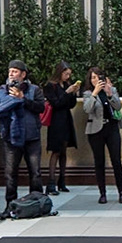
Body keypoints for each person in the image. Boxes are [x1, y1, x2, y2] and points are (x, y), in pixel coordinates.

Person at [0, 59, 45, 206]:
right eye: (10, 72)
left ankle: (37, 202)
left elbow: (40, 107)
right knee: (10, 173)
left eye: (15, 71)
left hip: (31, 137)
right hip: (11, 138)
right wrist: (10, 98)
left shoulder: (34, 89)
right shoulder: (2, 89)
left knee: (35, 172)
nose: (11, 74)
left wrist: (22, 99)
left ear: (23, 74)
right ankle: (11, 204)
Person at [79, 66, 122, 205]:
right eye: (93, 78)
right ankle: (102, 193)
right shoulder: (88, 93)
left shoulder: (111, 89)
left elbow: (118, 106)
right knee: (99, 162)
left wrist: (110, 93)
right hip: (96, 130)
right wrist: (95, 93)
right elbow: (87, 108)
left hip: (112, 128)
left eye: (98, 77)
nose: (96, 80)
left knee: (116, 160)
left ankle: (121, 192)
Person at [42, 63, 80, 193]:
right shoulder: (50, 86)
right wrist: (66, 93)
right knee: (56, 150)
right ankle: (51, 182)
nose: (68, 76)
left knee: (64, 151)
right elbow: (56, 103)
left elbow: (71, 104)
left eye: (69, 74)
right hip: (56, 121)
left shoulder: (67, 85)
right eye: (66, 74)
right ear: (60, 73)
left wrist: (73, 93)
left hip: (66, 120)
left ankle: (62, 181)